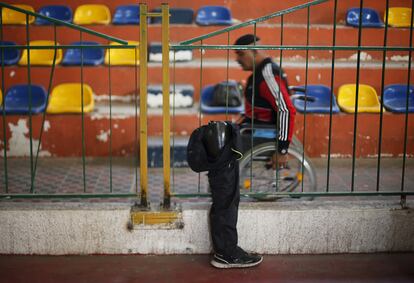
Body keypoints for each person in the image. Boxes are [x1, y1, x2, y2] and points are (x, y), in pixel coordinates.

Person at [187, 121, 263, 269]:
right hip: (223, 164)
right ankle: (228, 255)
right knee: (226, 202)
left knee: (224, 201)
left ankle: (224, 252)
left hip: (222, 163)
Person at [234, 34, 296, 169]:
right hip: (254, 130)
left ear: (255, 52)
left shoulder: (267, 75)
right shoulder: (258, 74)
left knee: (221, 148)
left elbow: (286, 110)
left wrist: (282, 150)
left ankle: (225, 188)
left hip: (263, 136)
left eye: (241, 54)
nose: (237, 59)